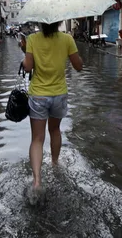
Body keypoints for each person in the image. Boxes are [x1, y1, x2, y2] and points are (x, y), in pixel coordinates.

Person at [21, 22, 83, 194]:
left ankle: (37, 181)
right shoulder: (67, 39)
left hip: (38, 95)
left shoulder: (32, 39)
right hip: (59, 95)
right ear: (59, 22)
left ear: (40, 22)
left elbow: (27, 67)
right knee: (55, 130)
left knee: (37, 139)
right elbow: (79, 66)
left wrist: (24, 50)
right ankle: (55, 164)